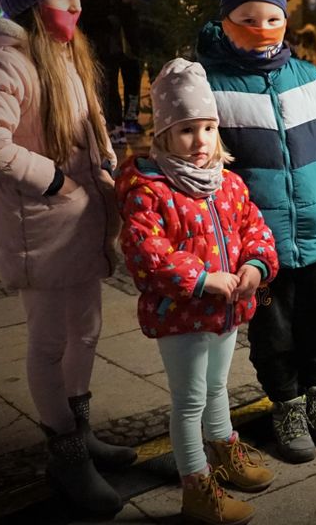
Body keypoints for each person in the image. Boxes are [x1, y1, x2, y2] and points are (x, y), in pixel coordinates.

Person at [0, 0, 135, 516]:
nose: (78, 5)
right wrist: (55, 179)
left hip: (82, 219)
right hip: (44, 224)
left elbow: (90, 124)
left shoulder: (64, 50)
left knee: (85, 332)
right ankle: (64, 457)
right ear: (34, 0)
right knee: (49, 340)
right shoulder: (7, 59)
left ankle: (81, 432)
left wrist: (108, 170)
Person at [196, 0, 316, 464]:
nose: (262, 29)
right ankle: (286, 403)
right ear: (226, 21)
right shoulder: (212, 87)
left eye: (272, 17)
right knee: (273, 332)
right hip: (258, 244)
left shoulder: (310, 79)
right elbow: (201, 158)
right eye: (247, 17)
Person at [116, 58, 280, 525]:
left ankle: (223, 448)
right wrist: (202, 279)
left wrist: (254, 265)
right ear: (165, 134)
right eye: (187, 129)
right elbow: (146, 250)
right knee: (189, 401)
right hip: (180, 313)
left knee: (217, 389)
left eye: (208, 127)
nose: (200, 141)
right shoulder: (150, 188)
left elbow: (254, 228)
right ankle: (195, 484)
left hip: (226, 311)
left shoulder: (227, 183)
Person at [87, 0, 144, 139]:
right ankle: (115, 123)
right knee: (110, 85)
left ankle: (129, 120)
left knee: (132, 83)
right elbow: (97, 13)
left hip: (131, 42)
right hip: (110, 43)